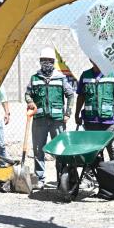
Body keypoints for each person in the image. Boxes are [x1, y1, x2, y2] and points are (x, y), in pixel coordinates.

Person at [25, 47, 75, 190]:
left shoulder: (61, 78)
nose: (46, 63)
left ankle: (61, 178)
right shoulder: (35, 78)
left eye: (49, 61)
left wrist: (68, 113)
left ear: (53, 62)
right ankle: (40, 179)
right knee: (38, 149)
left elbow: (71, 95)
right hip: (39, 120)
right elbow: (28, 94)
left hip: (57, 120)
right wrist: (30, 102)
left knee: (60, 149)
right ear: (40, 61)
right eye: (43, 60)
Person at [74, 60, 114, 161]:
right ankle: (92, 175)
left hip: (109, 123)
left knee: (113, 153)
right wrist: (76, 114)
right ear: (90, 60)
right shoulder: (85, 75)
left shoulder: (112, 74)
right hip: (90, 122)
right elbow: (80, 96)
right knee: (92, 152)